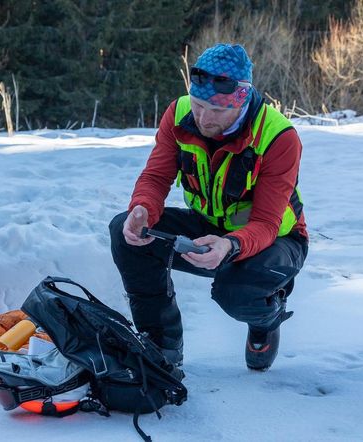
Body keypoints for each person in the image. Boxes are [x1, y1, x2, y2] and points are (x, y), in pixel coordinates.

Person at [109, 43, 308, 371]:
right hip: (209, 227)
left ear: (241, 99)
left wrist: (230, 245)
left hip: (275, 242)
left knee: (235, 291)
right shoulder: (179, 113)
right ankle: (161, 347)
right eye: (199, 106)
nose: (202, 118)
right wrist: (142, 209)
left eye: (216, 110)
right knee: (123, 231)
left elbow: (267, 223)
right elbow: (156, 176)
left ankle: (265, 321)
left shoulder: (279, 137)